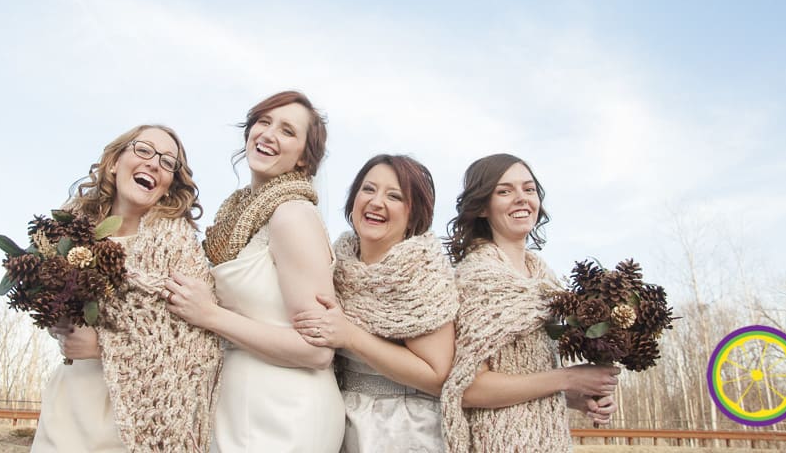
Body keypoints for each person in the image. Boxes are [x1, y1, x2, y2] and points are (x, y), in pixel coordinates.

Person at [163, 91, 345, 453]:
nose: (268, 134)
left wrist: (209, 315)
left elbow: (317, 351)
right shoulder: (237, 215)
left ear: (303, 161)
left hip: (285, 414)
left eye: (288, 131)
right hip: (240, 402)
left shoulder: (292, 215)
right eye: (264, 121)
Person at [31, 124, 220, 453]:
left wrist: (102, 345)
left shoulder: (180, 250)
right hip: (69, 407)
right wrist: (57, 325)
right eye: (144, 150)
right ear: (115, 162)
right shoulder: (70, 232)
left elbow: (195, 349)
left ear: (169, 184)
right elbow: (49, 302)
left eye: (167, 162)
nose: (153, 163)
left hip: (138, 420)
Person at [440, 154, 619, 453]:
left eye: (529, 189)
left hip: (550, 439)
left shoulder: (546, 280)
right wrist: (568, 378)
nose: (521, 199)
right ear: (483, 206)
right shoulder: (478, 279)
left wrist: (579, 397)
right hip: (498, 442)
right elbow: (469, 388)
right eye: (504, 191)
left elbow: (532, 381)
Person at [292, 154, 458, 453]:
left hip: (403, 428)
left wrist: (351, 337)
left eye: (394, 196)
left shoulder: (421, 274)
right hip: (337, 419)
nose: (376, 201)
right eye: (368, 189)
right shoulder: (336, 263)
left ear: (414, 213)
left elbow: (437, 376)